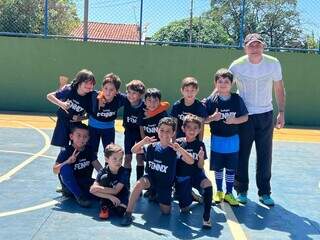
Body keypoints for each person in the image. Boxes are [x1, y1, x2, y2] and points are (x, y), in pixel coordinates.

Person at [229, 33, 286, 206]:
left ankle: (264, 192)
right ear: (245, 47)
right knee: (242, 154)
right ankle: (241, 191)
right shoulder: (237, 65)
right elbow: (223, 85)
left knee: (265, 155)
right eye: (251, 45)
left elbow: (279, 88)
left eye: (258, 45)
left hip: (265, 115)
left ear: (263, 46)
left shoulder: (273, 63)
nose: (255, 48)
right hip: (244, 116)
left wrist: (281, 111)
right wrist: (208, 104)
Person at [120, 117, 193, 226]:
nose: (165, 133)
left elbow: (191, 161)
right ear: (157, 131)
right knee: (138, 185)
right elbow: (133, 150)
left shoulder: (174, 150)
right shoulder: (151, 146)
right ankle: (128, 213)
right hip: (150, 179)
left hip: (165, 184)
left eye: (168, 131)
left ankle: (157, 195)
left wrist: (180, 149)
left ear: (173, 133)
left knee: (166, 212)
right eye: (162, 130)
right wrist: (143, 141)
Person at [203, 69, 248, 206]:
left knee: (231, 168)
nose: (223, 84)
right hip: (217, 139)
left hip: (233, 140)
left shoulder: (237, 99)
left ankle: (229, 193)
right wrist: (212, 118)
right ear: (215, 83)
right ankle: (219, 191)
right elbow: (203, 119)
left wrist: (234, 121)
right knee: (218, 168)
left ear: (232, 84)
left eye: (226, 81)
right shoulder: (211, 100)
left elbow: (245, 117)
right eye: (220, 81)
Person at [175, 114, 213, 228]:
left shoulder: (200, 145)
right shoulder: (178, 143)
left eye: (195, 128)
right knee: (184, 209)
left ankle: (206, 217)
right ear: (183, 128)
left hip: (196, 175)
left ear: (199, 130)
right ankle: (192, 196)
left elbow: (200, 166)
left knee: (208, 184)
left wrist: (201, 157)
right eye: (189, 127)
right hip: (182, 178)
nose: (192, 130)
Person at [53, 123, 102, 207]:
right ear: (71, 136)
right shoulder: (66, 151)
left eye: (85, 136)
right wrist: (67, 161)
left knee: (102, 191)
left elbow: (98, 166)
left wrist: (107, 178)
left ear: (88, 138)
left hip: (84, 182)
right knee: (65, 168)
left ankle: (82, 194)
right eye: (78, 135)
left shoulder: (89, 149)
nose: (82, 138)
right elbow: (55, 170)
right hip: (69, 186)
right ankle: (80, 197)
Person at [47, 69, 95, 148]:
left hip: (76, 124)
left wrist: (81, 118)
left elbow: (90, 114)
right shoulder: (69, 89)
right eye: (86, 83)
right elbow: (49, 96)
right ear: (79, 82)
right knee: (63, 148)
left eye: (92, 83)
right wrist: (61, 104)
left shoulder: (90, 96)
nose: (89, 86)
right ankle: (63, 160)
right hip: (63, 122)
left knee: (78, 146)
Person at [88, 73, 126, 158]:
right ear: (102, 88)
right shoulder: (94, 96)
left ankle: (108, 171)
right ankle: (88, 171)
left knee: (109, 154)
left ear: (116, 91)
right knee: (92, 153)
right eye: (105, 88)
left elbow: (133, 99)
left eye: (111, 90)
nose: (108, 92)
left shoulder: (120, 99)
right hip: (93, 129)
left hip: (108, 130)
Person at [90, 144, 130, 219]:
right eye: (115, 158)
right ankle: (105, 205)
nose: (118, 161)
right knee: (104, 178)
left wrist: (98, 188)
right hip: (108, 195)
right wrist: (110, 197)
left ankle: (114, 205)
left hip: (121, 194)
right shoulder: (102, 171)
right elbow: (92, 190)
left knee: (120, 212)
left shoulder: (124, 172)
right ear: (107, 159)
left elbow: (116, 191)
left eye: (121, 159)